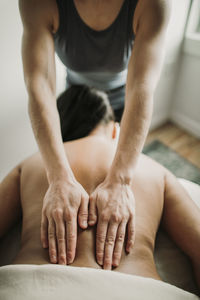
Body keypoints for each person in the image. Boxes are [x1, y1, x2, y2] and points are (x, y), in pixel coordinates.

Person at [18, 0, 172, 265]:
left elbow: (142, 88)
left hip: (125, 97)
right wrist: (58, 177)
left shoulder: (154, 4)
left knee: (125, 173)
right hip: (77, 96)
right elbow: (39, 86)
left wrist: (121, 181)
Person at [0, 85, 200, 290]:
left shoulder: (30, 164)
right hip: (137, 290)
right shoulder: (156, 170)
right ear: (115, 129)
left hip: (32, 287)